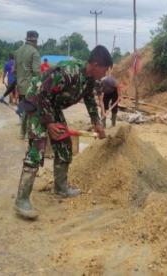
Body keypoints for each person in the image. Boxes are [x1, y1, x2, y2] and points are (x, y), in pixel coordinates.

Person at [13, 45, 112, 220]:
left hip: (52, 105)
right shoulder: (68, 72)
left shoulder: (90, 80)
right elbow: (43, 92)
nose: (105, 74)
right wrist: (49, 123)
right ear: (95, 64)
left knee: (64, 144)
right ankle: (21, 200)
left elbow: (89, 98)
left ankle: (60, 187)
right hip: (37, 102)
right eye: (104, 70)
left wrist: (96, 122)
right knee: (38, 147)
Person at [15, 30, 41, 139]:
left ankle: (22, 133)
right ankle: (27, 133)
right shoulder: (34, 52)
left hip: (20, 85)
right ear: (35, 40)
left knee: (25, 108)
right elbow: (36, 71)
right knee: (31, 110)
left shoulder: (18, 51)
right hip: (30, 86)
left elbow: (15, 69)